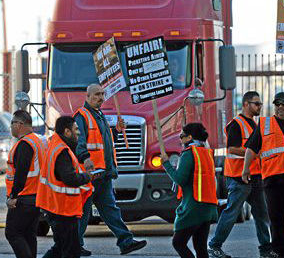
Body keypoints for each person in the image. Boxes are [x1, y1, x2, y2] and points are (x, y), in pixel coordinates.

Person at [75, 84, 147, 256]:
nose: (100, 97)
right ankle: (74, 245)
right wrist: (85, 158)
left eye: (102, 94)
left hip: (103, 173)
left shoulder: (99, 115)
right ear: (87, 96)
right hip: (91, 174)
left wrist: (117, 131)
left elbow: (104, 142)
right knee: (83, 212)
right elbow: (80, 141)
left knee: (110, 210)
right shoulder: (82, 116)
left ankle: (126, 241)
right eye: (96, 95)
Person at [242, 92, 284, 258]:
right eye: (277, 104)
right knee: (277, 221)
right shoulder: (265, 124)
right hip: (273, 181)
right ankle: (283, 254)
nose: (280, 107)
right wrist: (246, 169)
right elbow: (251, 148)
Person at [208, 91, 273, 258]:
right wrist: (253, 153)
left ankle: (266, 249)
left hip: (255, 176)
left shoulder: (254, 124)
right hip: (238, 177)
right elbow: (232, 149)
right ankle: (214, 246)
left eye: (260, 104)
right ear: (246, 104)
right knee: (231, 213)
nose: (259, 107)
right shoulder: (236, 124)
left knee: (261, 215)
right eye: (256, 104)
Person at [36, 116, 95, 258]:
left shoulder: (56, 145)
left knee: (61, 247)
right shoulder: (62, 151)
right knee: (71, 251)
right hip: (62, 209)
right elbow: (69, 178)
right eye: (75, 129)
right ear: (67, 132)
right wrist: (87, 177)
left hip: (57, 207)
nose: (79, 133)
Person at [161, 123, 218, 258]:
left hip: (194, 207)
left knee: (178, 243)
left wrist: (166, 164)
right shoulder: (206, 153)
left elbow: (180, 179)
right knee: (200, 248)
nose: (180, 140)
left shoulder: (189, 154)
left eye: (182, 136)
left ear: (189, 137)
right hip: (208, 206)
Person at [5, 110, 47, 258]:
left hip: (24, 198)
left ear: (19, 124)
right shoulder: (38, 140)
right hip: (37, 196)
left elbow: (21, 173)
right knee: (29, 235)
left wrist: (13, 196)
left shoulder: (25, 144)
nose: (10, 127)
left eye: (12, 123)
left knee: (12, 233)